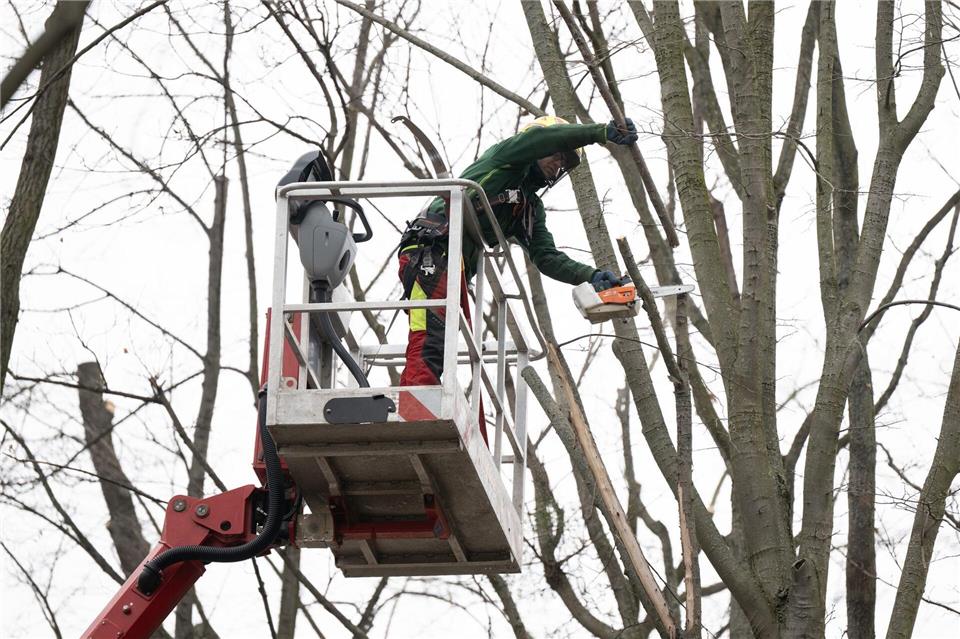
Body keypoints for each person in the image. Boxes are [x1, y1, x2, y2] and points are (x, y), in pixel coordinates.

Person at [397, 115, 639, 438]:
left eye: (564, 161)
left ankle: (416, 410)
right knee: (430, 338)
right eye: (557, 154)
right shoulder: (509, 156)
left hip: (453, 267)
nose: (558, 163)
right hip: (431, 251)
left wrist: (592, 275)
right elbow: (544, 140)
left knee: (438, 342)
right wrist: (600, 133)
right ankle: (413, 415)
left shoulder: (529, 207)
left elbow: (547, 257)